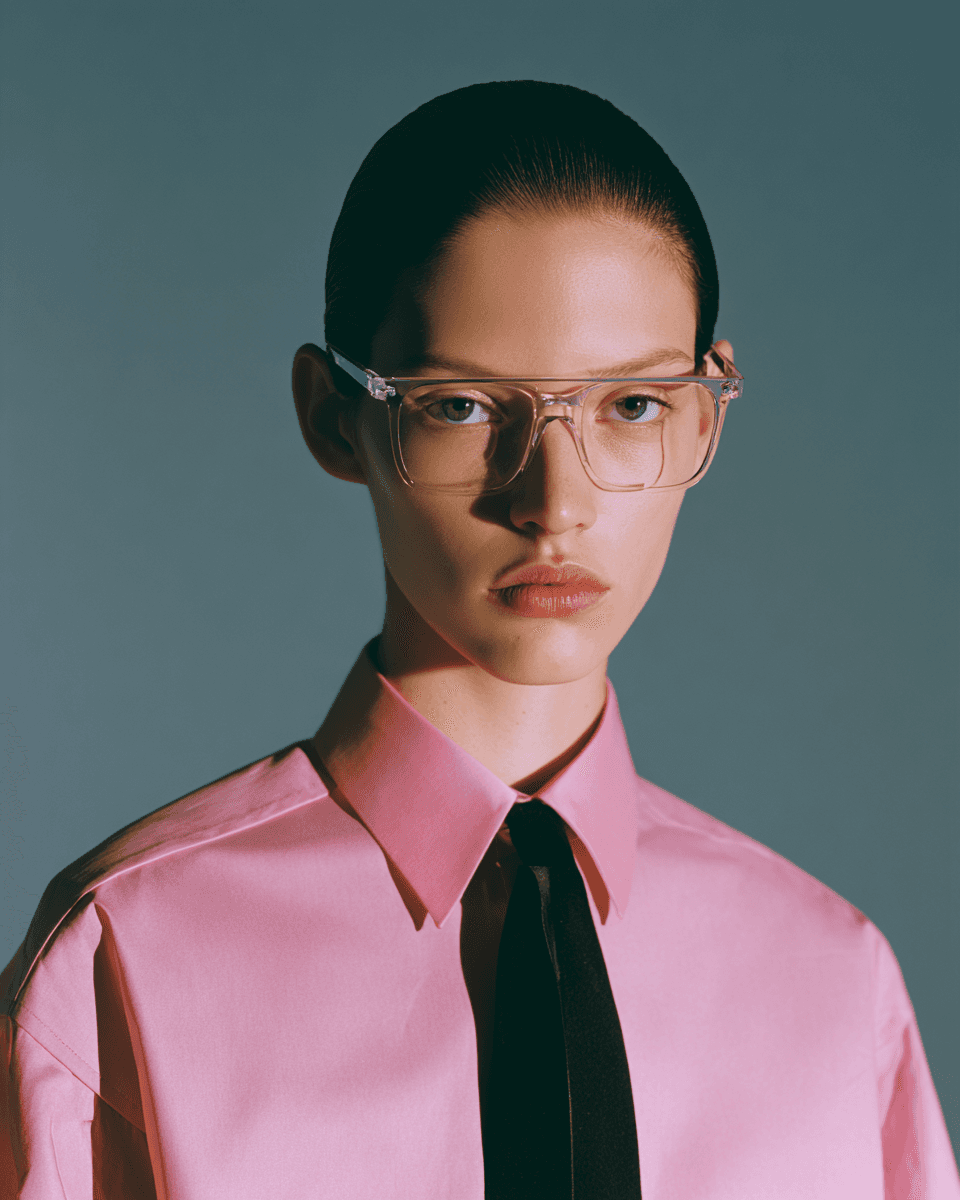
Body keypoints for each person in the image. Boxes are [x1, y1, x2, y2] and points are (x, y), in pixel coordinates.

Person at [1, 80, 957, 1199]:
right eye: (462, 405)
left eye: (632, 406)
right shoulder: (127, 962)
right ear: (333, 416)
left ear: (704, 414)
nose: (554, 503)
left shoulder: (834, 986)